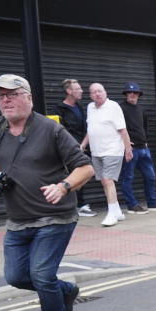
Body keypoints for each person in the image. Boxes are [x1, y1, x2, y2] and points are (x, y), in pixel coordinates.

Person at [0, 74, 94, 311]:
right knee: (17, 277)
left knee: (42, 275)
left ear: (28, 97)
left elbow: (86, 168)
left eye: (12, 94)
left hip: (55, 216)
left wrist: (64, 186)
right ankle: (65, 291)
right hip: (18, 219)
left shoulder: (51, 130)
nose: (5, 100)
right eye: (0, 96)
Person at [81, 83, 133, 228]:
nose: (97, 94)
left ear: (105, 92)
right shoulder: (90, 107)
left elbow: (123, 130)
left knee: (107, 179)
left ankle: (111, 214)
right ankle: (117, 211)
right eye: (94, 92)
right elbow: (91, 129)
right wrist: (83, 144)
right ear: (90, 95)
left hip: (113, 150)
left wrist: (128, 149)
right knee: (104, 181)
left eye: (100, 91)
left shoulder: (114, 107)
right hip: (97, 151)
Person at [117, 82, 156, 213]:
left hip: (144, 148)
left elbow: (145, 127)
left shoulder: (141, 108)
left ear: (139, 94)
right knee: (128, 177)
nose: (132, 94)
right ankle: (132, 205)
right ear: (126, 94)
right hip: (130, 149)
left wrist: (146, 141)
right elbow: (116, 128)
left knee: (150, 176)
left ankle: (152, 202)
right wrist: (125, 144)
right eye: (130, 92)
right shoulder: (120, 108)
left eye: (135, 93)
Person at [54, 78, 95, 217]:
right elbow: (58, 130)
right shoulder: (59, 108)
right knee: (71, 175)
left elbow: (87, 127)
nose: (81, 91)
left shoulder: (81, 107)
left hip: (82, 147)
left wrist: (83, 144)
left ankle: (79, 204)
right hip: (67, 149)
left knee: (84, 173)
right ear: (69, 91)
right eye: (77, 89)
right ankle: (76, 205)